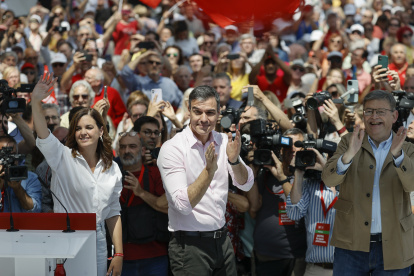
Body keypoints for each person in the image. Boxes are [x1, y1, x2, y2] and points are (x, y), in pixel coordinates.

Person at [32, 72, 123, 276]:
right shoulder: (61, 156)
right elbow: (42, 132)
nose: (83, 132)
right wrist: (35, 100)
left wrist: (119, 254)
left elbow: (113, 213)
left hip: (98, 238)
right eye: (79, 128)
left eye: (89, 127)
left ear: (101, 131)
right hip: (65, 237)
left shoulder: (113, 168)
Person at [157, 85, 254, 275]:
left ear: (219, 113)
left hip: (223, 241)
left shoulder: (224, 141)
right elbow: (182, 205)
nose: (203, 119)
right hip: (189, 246)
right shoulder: (172, 149)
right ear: (188, 111)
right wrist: (209, 172)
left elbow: (246, 183)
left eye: (210, 113)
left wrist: (234, 161)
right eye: (197, 112)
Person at [321, 90, 414, 274]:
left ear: (394, 115)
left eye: (380, 111)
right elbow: (328, 179)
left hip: (394, 244)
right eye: (369, 111)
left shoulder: (407, 147)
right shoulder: (350, 141)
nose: (374, 117)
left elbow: (411, 185)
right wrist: (348, 155)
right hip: (351, 244)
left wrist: (398, 156)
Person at [116, 131, 168, 275]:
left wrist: (141, 193)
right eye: (123, 147)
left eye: (132, 146)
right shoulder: (111, 176)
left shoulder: (155, 173)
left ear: (143, 150)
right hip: (122, 259)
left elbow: (169, 208)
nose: (127, 151)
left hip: (155, 257)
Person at [286, 149, 337, 276]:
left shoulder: (349, 183)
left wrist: (326, 168)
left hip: (346, 267)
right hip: (315, 269)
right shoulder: (309, 185)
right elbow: (294, 214)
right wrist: (299, 172)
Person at [0, 135, 42, 213]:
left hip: (21, 224)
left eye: (12, 155)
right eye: (3, 156)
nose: (8, 160)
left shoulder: (29, 177)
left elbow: (35, 210)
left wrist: (18, 188)